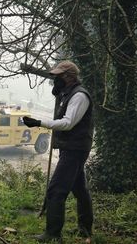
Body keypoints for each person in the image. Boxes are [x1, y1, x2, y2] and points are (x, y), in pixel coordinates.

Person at [23, 61, 94, 243]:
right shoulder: (68, 93)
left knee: (56, 190)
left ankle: (53, 234)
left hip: (74, 149)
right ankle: (85, 228)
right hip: (71, 147)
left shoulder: (79, 96)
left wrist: (40, 123)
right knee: (79, 189)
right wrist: (60, 94)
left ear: (69, 77)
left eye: (58, 77)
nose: (55, 80)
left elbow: (68, 123)